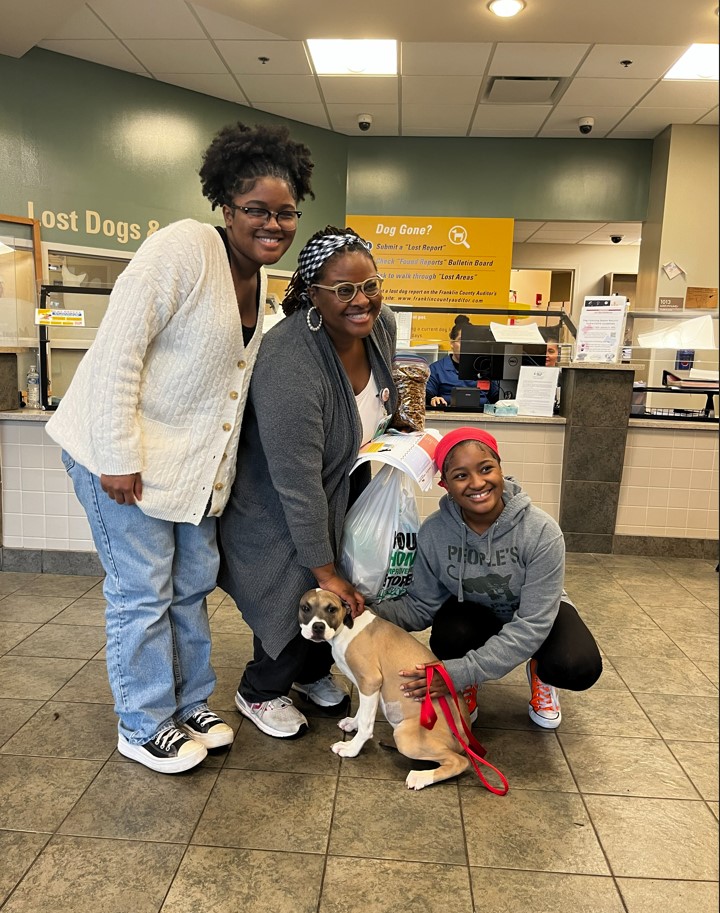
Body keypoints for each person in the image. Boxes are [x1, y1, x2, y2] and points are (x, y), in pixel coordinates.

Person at [46, 121, 315, 773]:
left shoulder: (265, 289)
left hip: (189, 478)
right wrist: (116, 453)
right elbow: (119, 349)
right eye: (257, 209)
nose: (273, 224)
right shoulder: (183, 249)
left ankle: (189, 703)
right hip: (122, 459)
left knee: (190, 586)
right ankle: (141, 722)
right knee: (142, 590)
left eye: (285, 212)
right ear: (226, 205)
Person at [217, 226, 398, 739]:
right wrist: (325, 570)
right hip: (275, 504)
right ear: (312, 291)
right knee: (296, 592)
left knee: (341, 592)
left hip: (340, 490)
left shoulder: (380, 325)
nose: (362, 300)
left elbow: (379, 397)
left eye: (370, 284)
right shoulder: (290, 359)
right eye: (343, 290)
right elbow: (296, 485)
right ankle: (260, 690)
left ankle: (312, 672)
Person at [373, 427, 602, 729]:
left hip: (536, 616)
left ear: (500, 469)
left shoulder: (541, 532)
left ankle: (541, 672)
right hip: (476, 615)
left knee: (576, 664)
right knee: (449, 633)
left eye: (486, 469)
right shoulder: (435, 533)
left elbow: (532, 624)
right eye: (460, 475)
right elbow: (420, 608)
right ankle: (469, 686)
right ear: (445, 484)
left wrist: (458, 673)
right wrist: (362, 608)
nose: (477, 483)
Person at [426, 315, 498, 408]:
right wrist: (433, 399)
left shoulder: (486, 369)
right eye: (461, 341)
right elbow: (427, 393)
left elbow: (497, 396)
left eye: (470, 342)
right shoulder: (437, 369)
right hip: (448, 417)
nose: (466, 346)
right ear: (452, 343)